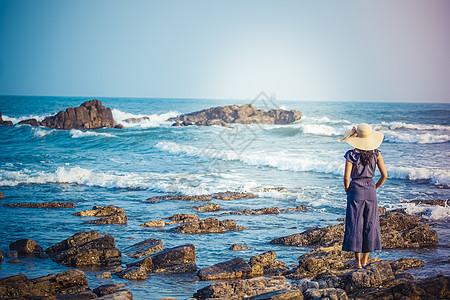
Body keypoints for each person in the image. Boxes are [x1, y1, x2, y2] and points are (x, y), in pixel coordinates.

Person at [338, 123, 388, 268]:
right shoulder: (377, 154)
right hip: (371, 190)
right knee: (370, 224)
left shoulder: (351, 154)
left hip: (355, 190)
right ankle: (366, 260)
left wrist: (347, 190)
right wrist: (375, 187)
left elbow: (346, 178)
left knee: (355, 224)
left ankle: (357, 262)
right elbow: (385, 176)